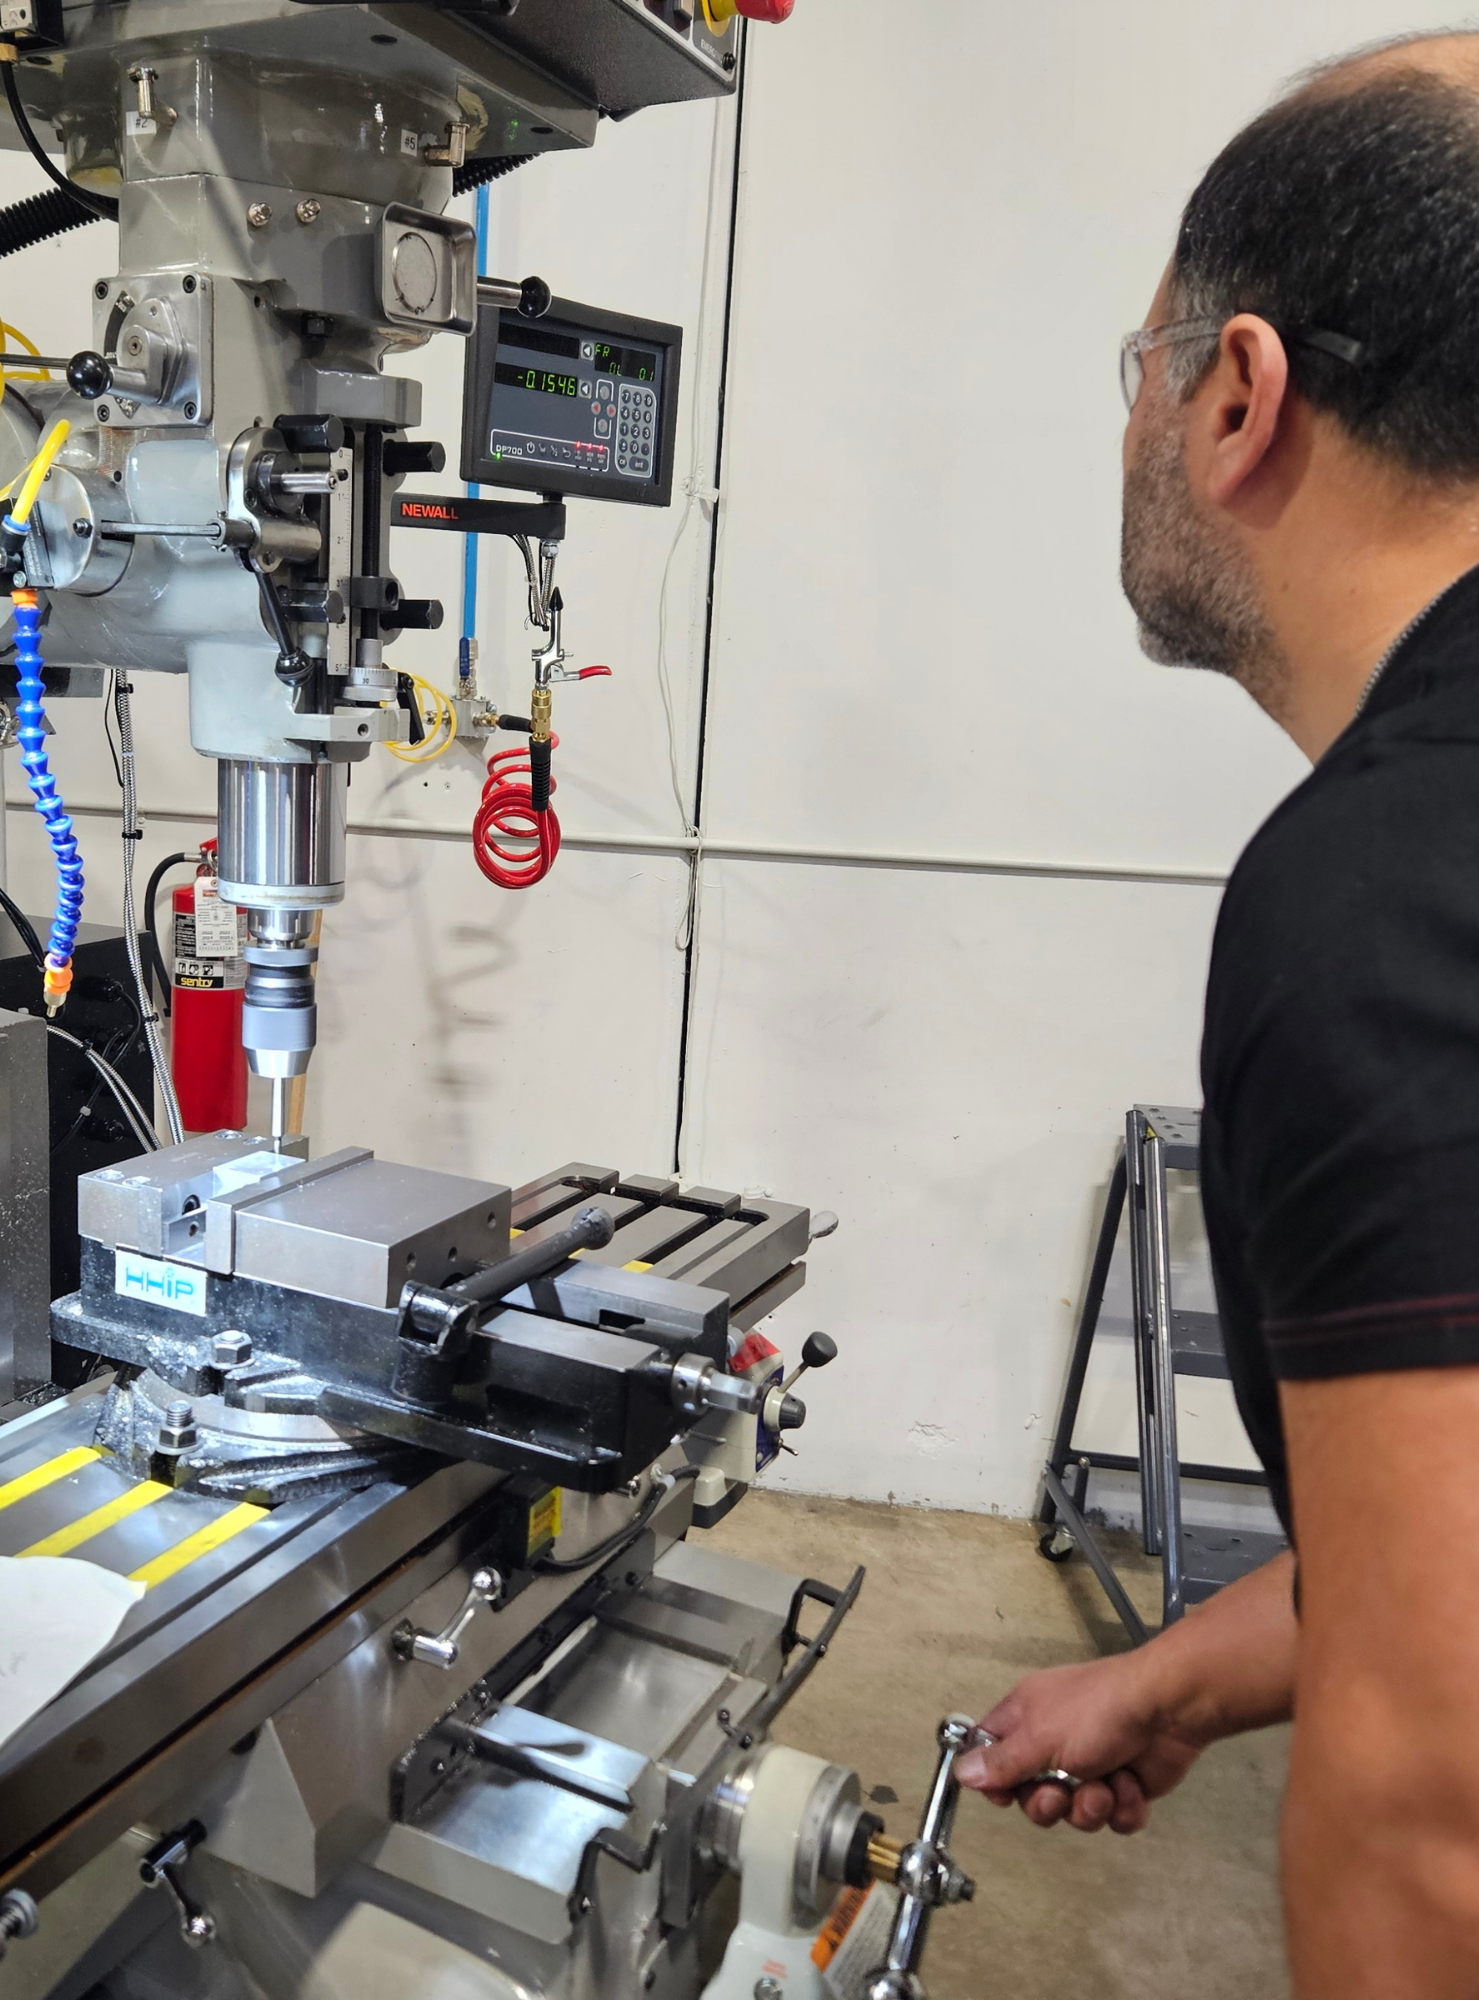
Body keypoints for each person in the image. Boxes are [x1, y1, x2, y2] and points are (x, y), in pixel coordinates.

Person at [952, 32, 1479, 1994]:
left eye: (1142, 371)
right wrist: (1178, 1671)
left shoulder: (1387, 892)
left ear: (1238, 397)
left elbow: (1439, 1825)